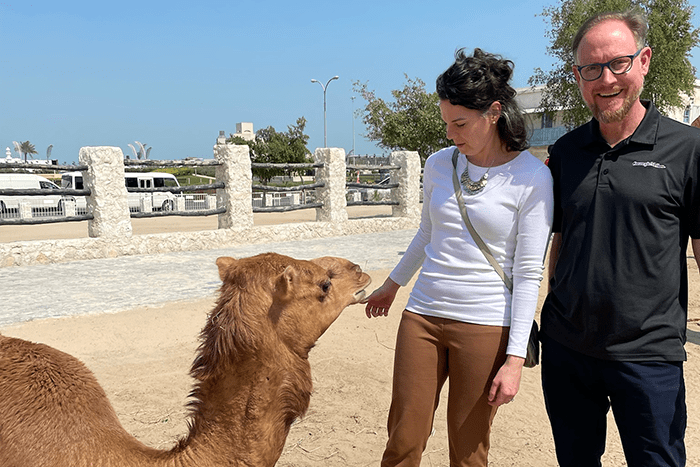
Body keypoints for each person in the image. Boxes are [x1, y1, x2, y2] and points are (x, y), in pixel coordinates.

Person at [363, 48, 553, 467]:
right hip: (422, 315)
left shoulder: (533, 178)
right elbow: (427, 234)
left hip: (486, 324)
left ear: (494, 112)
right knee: (403, 441)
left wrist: (515, 359)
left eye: (461, 123)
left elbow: (527, 274)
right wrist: (392, 285)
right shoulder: (437, 165)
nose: (451, 134)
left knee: (468, 453)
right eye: (447, 123)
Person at [541, 8, 700, 467]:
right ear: (577, 76)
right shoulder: (566, 152)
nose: (605, 79)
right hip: (567, 353)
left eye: (618, 63)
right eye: (591, 68)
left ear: (644, 61)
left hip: (649, 358)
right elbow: (561, 241)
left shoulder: (687, 151)